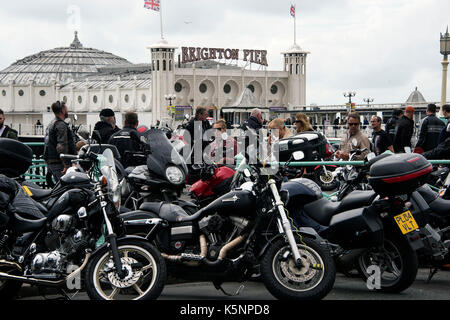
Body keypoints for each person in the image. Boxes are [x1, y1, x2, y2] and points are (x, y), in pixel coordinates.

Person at [43, 101, 76, 182]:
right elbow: (61, 145)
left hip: (51, 160)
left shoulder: (52, 123)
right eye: (66, 108)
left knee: (59, 186)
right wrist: (66, 164)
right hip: (58, 162)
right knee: (65, 187)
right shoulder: (61, 125)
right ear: (63, 110)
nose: (68, 110)